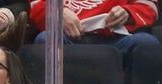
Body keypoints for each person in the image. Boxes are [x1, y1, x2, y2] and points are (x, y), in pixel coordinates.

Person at [29, 0, 160, 59]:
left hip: (115, 38)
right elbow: (35, 8)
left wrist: (128, 13)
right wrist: (57, 12)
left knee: (146, 44)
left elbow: (149, 6)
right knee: (46, 40)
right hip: (68, 38)